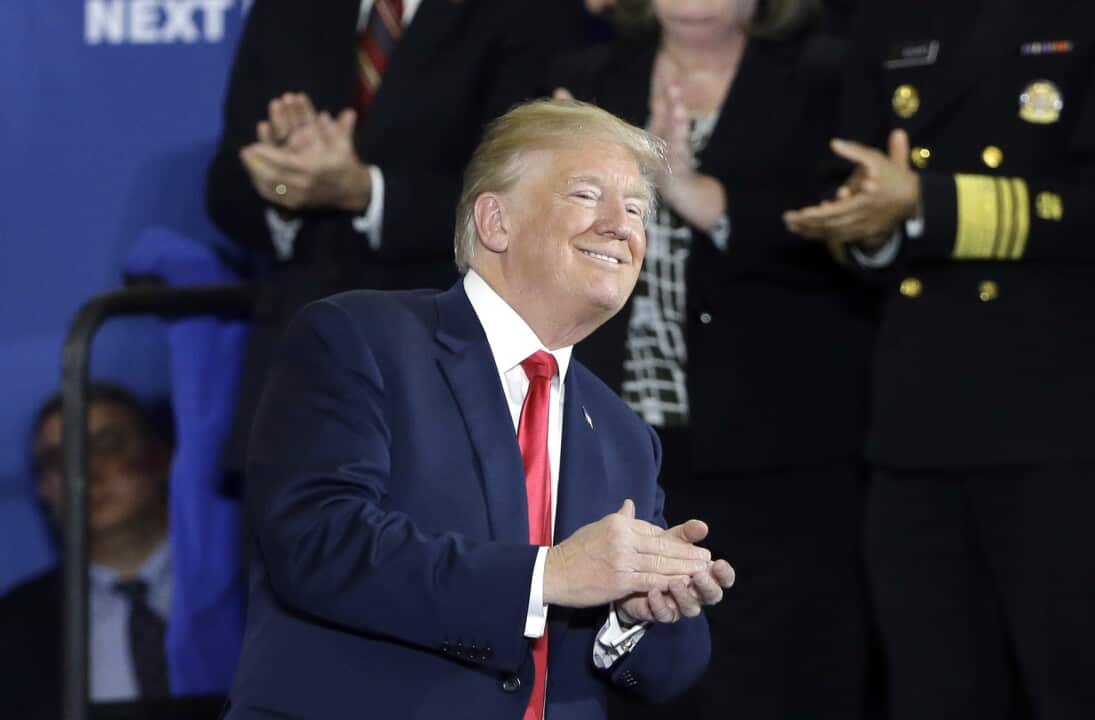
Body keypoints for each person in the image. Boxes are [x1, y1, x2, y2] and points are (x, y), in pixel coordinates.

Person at [223, 99, 734, 720]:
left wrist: (633, 613)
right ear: (496, 221)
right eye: (585, 195)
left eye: (635, 210)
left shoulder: (623, 435)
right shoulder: (361, 339)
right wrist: (549, 576)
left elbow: (666, 676)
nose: (619, 226)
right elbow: (318, 543)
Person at [784, 0, 1095, 717]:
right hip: (917, 421)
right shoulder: (887, 19)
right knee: (933, 692)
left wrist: (925, 204)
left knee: (1082, 689)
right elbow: (854, 174)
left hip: (1064, 422)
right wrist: (865, 222)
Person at [551, 1, 875, 717]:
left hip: (779, 442)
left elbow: (857, 239)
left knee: (773, 674)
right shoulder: (590, 79)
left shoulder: (828, 75)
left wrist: (707, 200)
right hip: (618, 440)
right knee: (628, 664)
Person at [206, 0, 588, 487]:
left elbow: (527, 199)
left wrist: (367, 191)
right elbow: (226, 189)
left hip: (450, 374)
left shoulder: (528, 14)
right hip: (300, 377)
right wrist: (286, 188)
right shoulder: (287, 11)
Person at [0, 385, 173, 716]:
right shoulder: (12, 628)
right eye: (57, 459)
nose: (84, 473)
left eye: (106, 445)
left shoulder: (246, 586)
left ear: (160, 458)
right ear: (43, 489)